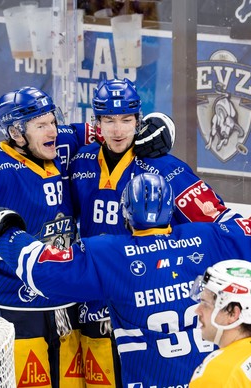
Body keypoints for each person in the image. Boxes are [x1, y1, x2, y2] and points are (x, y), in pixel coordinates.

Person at [0, 86, 174, 388]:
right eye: (41, 125)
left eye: (52, 121)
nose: (52, 129)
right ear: (16, 132)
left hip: (66, 306)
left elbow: (117, 126)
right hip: (15, 310)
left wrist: (160, 126)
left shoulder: (62, 143)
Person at [0, 173, 251, 387]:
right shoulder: (209, 239)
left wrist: (5, 234)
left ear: (125, 215)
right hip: (206, 378)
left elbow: (43, 271)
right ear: (171, 210)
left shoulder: (110, 254)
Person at [68, 78, 237, 387]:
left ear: (138, 120)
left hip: (145, 310)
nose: (118, 130)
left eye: (126, 120)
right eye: (109, 120)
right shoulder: (80, 161)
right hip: (92, 307)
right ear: (97, 122)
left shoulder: (163, 166)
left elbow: (217, 223)